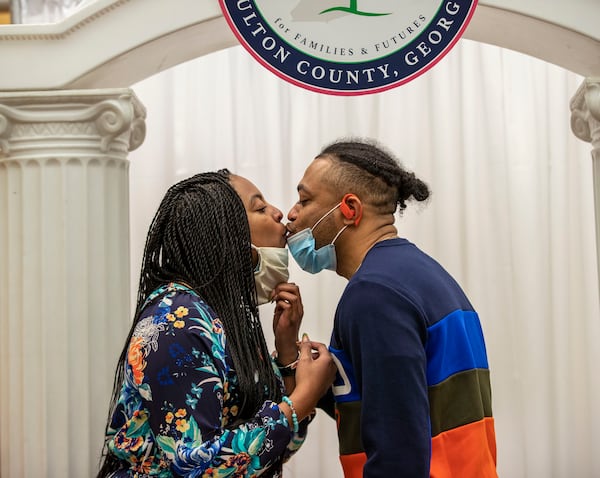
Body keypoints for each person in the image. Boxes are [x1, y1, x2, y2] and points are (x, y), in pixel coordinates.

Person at [97, 169, 336, 477]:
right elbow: (196, 465)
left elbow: (274, 449)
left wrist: (287, 351)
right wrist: (304, 398)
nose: (279, 213)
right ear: (226, 235)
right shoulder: (175, 321)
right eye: (260, 208)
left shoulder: (221, 316)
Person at [286, 139, 497, 478]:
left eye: (305, 199)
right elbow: (399, 406)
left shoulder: (373, 294)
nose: (291, 214)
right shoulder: (424, 274)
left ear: (350, 209)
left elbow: (398, 454)